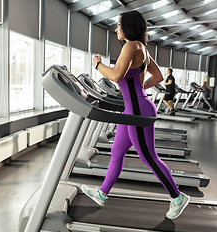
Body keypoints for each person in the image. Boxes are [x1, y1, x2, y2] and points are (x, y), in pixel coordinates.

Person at [81, 10, 190, 220]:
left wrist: (97, 64)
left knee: (148, 156)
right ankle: (102, 193)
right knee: (116, 152)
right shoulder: (142, 48)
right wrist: (140, 90)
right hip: (135, 107)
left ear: (128, 27)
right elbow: (157, 76)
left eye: (119, 25)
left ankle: (177, 197)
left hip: (138, 110)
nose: (116, 29)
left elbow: (116, 75)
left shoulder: (131, 46)